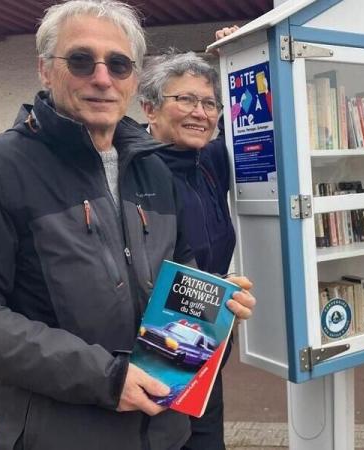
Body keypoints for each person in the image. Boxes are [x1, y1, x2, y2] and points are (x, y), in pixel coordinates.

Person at [0, 1, 255, 449]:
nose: (102, 78)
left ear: (132, 79)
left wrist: (214, 306)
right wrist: (108, 379)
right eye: (81, 60)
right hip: (64, 436)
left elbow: (176, 277)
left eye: (119, 64)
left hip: (165, 426)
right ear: (45, 70)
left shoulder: (152, 170)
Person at [138, 49, 235, 450]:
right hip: (152, 356)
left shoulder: (209, 159)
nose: (201, 112)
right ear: (150, 108)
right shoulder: (129, 171)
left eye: (209, 103)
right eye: (185, 100)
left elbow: (253, 130)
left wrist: (239, 56)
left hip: (206, 348)